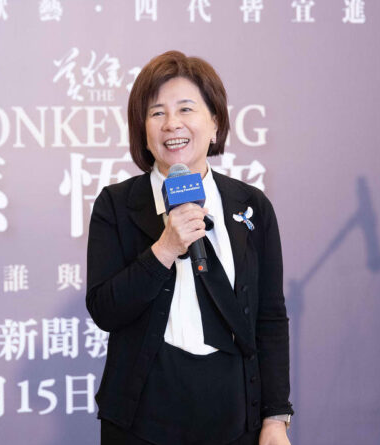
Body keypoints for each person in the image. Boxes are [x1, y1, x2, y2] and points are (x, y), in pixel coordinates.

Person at [86, 51, 293, 445]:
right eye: (156, 113)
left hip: (236, 418)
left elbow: (269, 317)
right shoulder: (116, 205)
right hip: (141, 422)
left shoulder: (251, 206)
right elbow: (104, 310)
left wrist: (274, 418)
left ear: (215, 122)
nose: (172, 124)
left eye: (185, 108)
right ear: (143, 131)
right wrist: (165, 248)